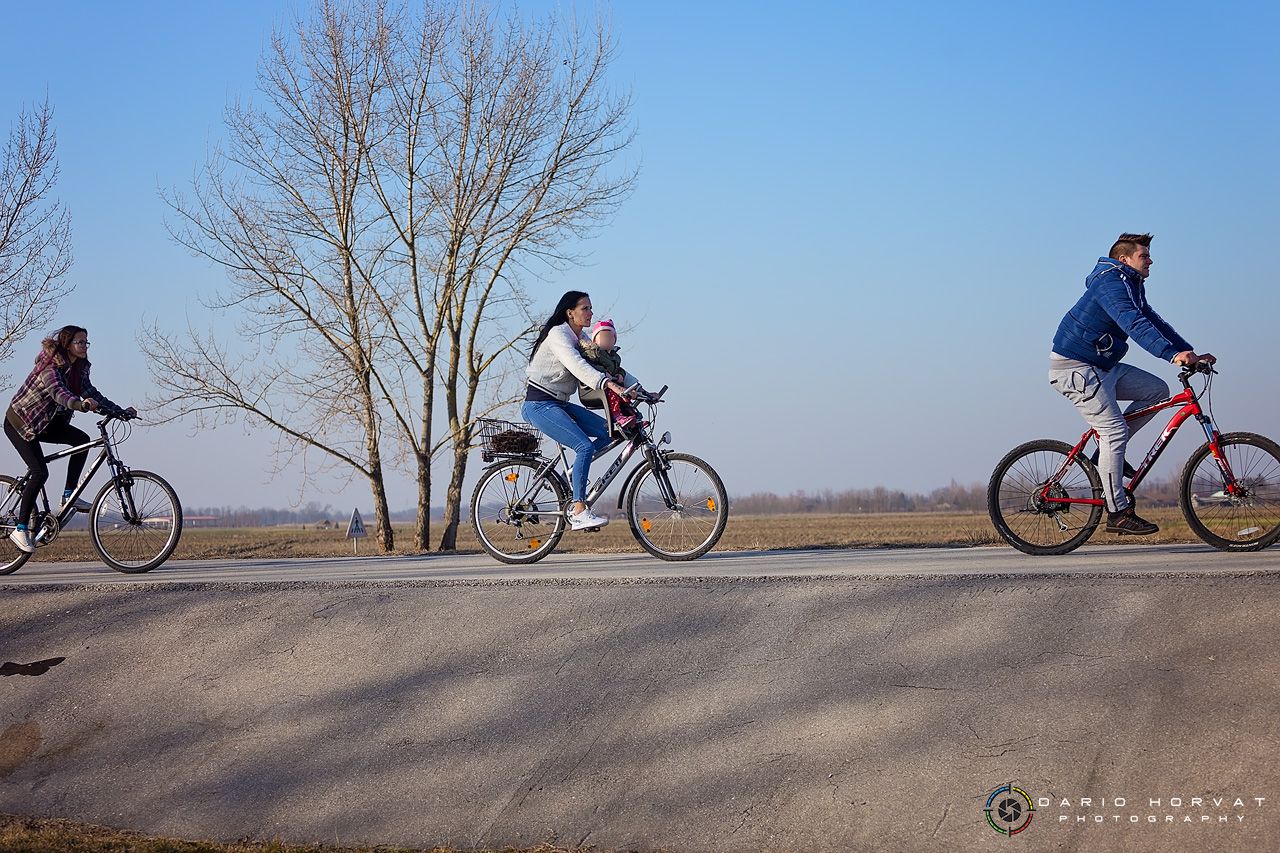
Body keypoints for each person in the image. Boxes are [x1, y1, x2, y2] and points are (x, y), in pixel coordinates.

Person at [1049, 234, 1214, 536]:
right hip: (1076, 368)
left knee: (1157, 391)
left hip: (1101, 366)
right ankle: (1118, 512)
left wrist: (1188, 351)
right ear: (1125, 259)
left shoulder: (1129, 283)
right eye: (1144, 255)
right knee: (1115, 431)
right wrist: (1171, 355)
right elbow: (1132, 323)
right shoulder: (1110, 282)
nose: (1150, 260)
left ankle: (1106, 455)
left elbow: (1151, 319)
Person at [5, 326, 136, 553]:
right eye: (80, 342)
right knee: (39, 472)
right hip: (21, 422)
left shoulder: (79, 368)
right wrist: (79, 404)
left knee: (82, 440)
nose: (85, 346)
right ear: (68, 345)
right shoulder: (50, 364)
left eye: (87, 342)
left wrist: (119, 411)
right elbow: (59, 393)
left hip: (45, 423)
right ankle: (20, 527)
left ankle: (69, 496)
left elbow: (93, 394)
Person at [523, 292, 640, 531]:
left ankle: (574, 471)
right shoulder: (559, 335)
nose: (590, 313)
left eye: (591, 308)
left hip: (560, 403)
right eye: (585, 308)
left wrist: (642, 389)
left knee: (612, 432)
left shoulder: (582, 338)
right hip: (539, 405)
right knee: (584, 446)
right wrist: (609, 384)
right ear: (570, 313)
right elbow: (578, 366)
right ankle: (578, 510)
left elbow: (605, 362)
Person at [579, 319, 638, 430]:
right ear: (595, 341)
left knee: (625, 396)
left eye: (610, 338)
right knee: (613, 394)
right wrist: (603, 372)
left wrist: (620, 374)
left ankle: (633, 418)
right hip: (597, 386)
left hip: (612, 382)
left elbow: (619, 369)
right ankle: (617, 417)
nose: (607, 340)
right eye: (604, 337)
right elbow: (589, 365)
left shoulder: (615, 357)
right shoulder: (594, 352)